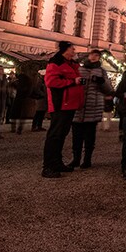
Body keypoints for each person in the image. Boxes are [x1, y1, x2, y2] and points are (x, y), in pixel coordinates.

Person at [41, 41, 85, 178]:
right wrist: (73, 82)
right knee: (55, 135)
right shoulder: (56, 63)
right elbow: (51, 82)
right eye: (73, 49)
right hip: (60, 104)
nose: (75, 51)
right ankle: (48, 166)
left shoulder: (71, 64)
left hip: (70, 104)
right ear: (66, 50)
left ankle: (57, 162)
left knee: (61, 135)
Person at [71, 49, 114, 169]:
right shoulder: (80, 69)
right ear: (89, 56)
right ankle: (76, 159)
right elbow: (72, 84)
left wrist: (101, 82)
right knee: (76, 136)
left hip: (93, 107)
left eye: (97, 56)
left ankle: (87, 159)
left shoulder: (102, 71)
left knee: (89, 136)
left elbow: (108, 89)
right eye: (93, 55)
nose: (94, 57)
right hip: (79, 106)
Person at [8, 70, 31, 135]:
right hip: (25, 99)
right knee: (22, 115)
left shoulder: (18, 82)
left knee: (14, 114)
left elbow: (12, 85)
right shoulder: (28, 82)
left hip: (18, 99)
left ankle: (13, 128)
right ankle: (19, 128)